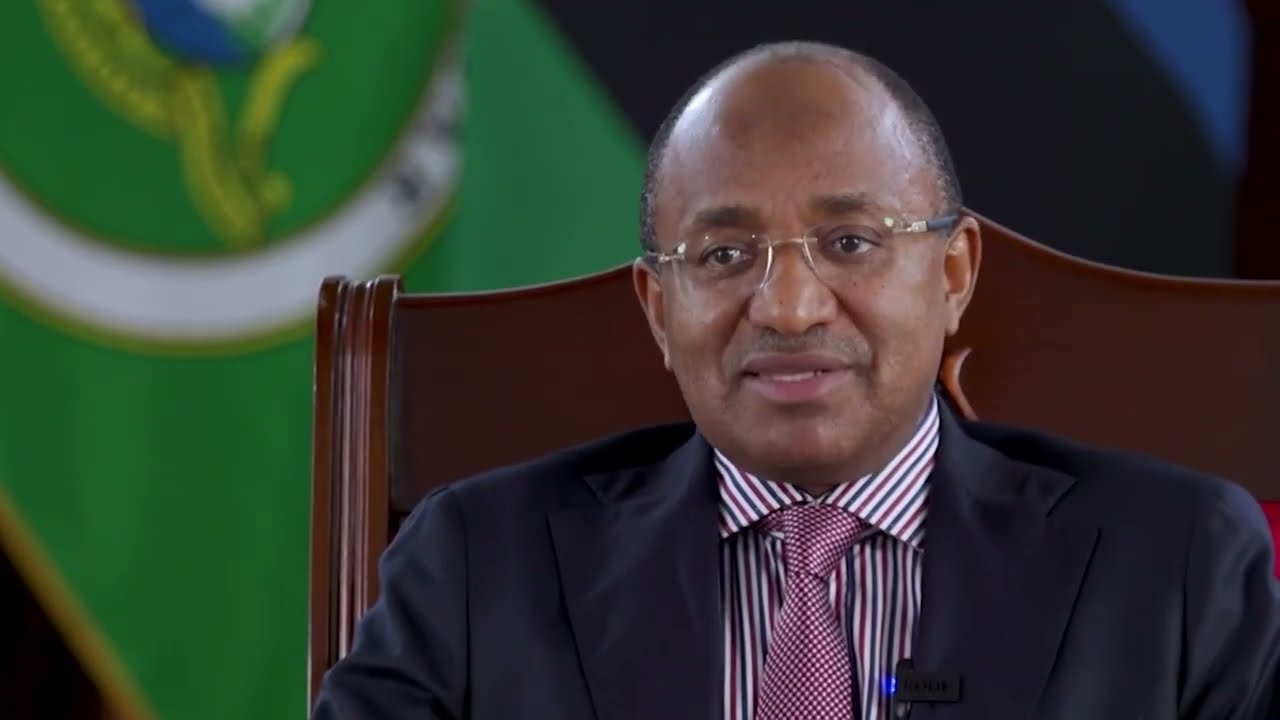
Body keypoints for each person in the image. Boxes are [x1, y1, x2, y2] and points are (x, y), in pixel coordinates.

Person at [311, 41, 1280, 720]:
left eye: (850, 242)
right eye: (724, 255)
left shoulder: (1177, 565)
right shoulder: (479, 565)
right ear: (657, 308)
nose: (786, 307)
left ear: (952, 275)